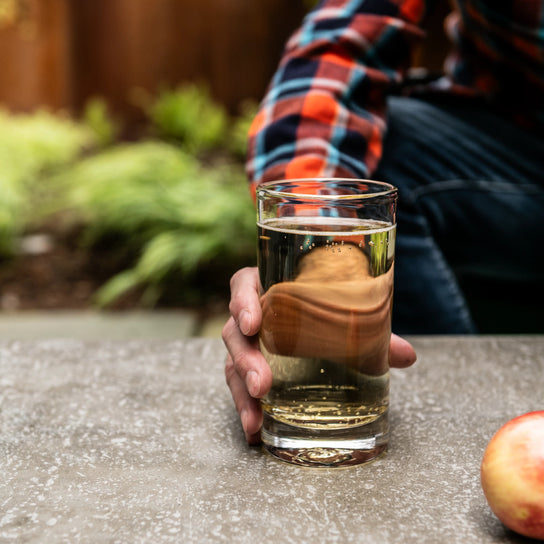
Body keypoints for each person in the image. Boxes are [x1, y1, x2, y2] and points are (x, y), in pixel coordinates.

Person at [223, 0, 544, 444]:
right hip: (519, 144)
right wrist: (317, 258)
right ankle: (453, 409)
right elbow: (336, 51)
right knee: (385, 162)